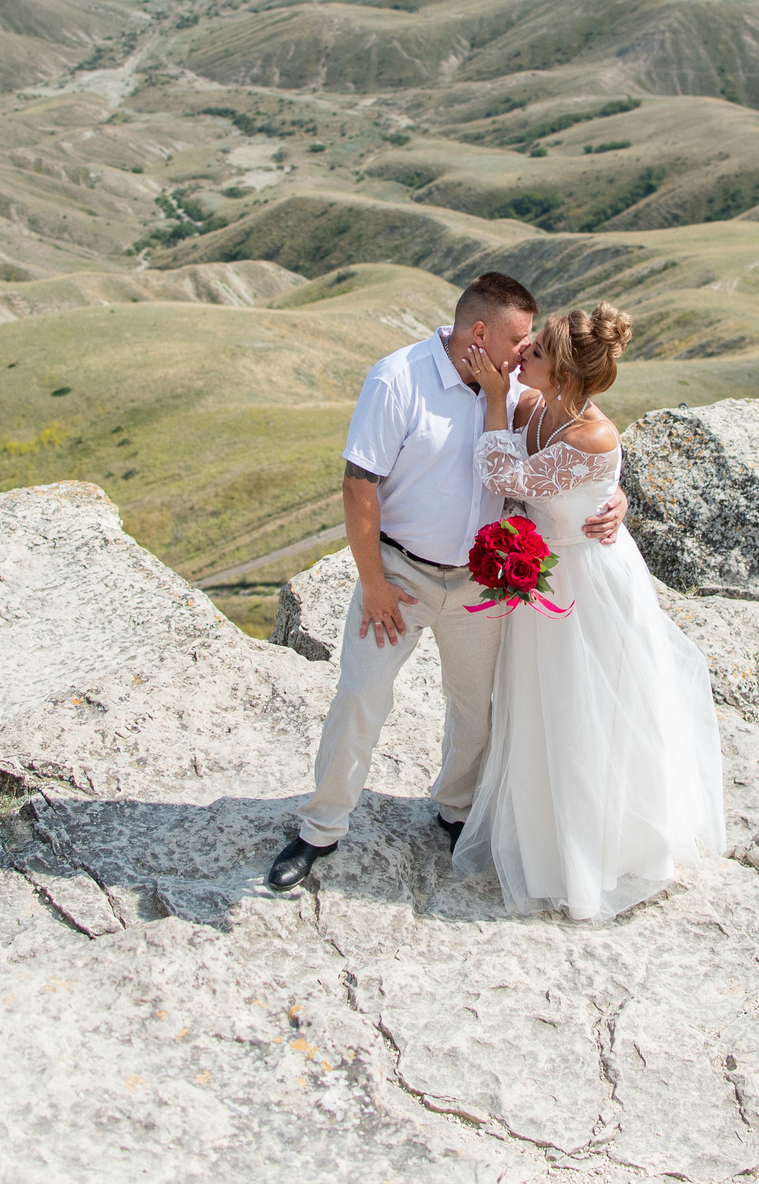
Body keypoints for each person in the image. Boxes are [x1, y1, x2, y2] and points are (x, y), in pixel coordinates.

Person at [265, 273, 628, 892]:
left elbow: (578, 443)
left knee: (475, 708)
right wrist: (374, 582)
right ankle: (320, 827)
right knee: (360, 697)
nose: (525, 353)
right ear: (480, 333)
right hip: (399, 575)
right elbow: (359, 486)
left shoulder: (515, 384)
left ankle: (456, 809)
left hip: (481, 585)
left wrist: (612, 496)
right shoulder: (396, 379)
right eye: (520, 340)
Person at [453, 304, 725, 920]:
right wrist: (610, 493)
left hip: (585, 582)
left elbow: (502, 475)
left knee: (586, 710)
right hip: (546, 575)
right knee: (541, 707)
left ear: (568, 375)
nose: (525, 356)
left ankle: (594, 850)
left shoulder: (591, 435)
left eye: (539, 352)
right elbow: (548, 481)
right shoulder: (537, 404)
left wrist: (496, 401)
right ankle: (541, 833)